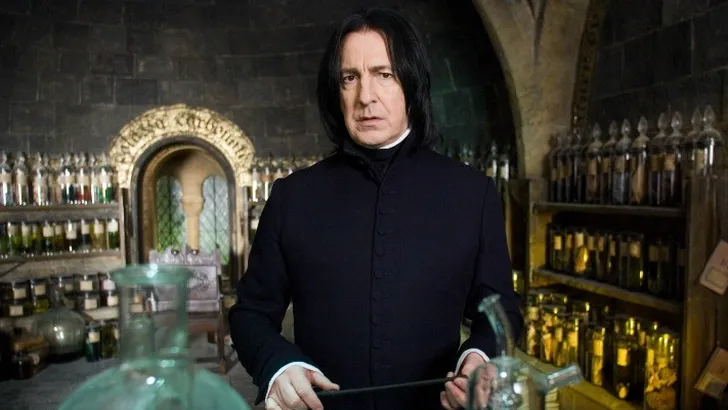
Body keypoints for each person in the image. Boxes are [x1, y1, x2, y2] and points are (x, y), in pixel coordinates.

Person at [229, 7, 523, 410]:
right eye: (350, 78)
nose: (365, 96)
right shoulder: (291, 198)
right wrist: (278, 365)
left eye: (384, 74)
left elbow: (501, 309)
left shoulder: (474, 194)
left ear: (412, 84)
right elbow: (249, 315)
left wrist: (479, 358)